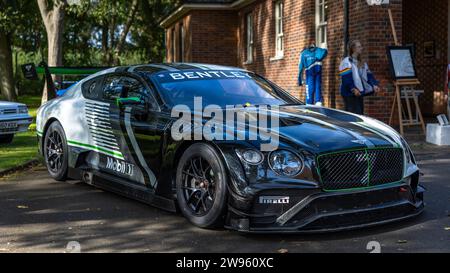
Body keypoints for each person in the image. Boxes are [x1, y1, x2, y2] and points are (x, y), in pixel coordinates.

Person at [339, 40, 380, 115]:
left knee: (360, 114)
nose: (362, 48)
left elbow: (368, 75)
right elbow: (346, 78)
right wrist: (353, 89)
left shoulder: (362, 62)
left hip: (359, 92)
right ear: (353, 49)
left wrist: (374, 84)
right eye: (359, 47)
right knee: (351, 116)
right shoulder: (346, 62)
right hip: (349, 93)